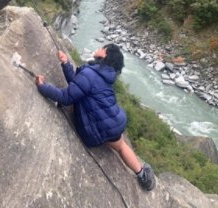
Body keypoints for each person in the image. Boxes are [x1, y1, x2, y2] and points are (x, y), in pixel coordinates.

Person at [36, 43, 156, 191]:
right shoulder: (103, 74)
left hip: (95, 129)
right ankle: (142, 174)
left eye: (102, 48)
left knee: (70, 107)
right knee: (121, 146)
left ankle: (141, 172)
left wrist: (43, 87)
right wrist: (66, 63)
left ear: (105, 54)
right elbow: (78, 85)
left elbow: (65, 97)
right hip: (113, 123)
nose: (99, 48)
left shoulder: (91, 73)